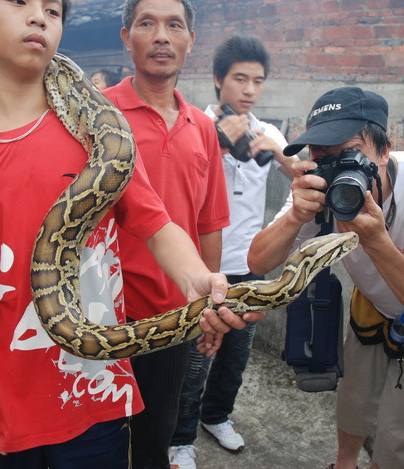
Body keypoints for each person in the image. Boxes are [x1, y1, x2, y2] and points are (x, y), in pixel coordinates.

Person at [0, 0, 249, 466]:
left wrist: (196, 276)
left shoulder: (103, 141)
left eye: (52, 10)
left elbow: (156, 223)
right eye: (19, 3)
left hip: (95, 392)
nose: (38, 18)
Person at [247, 87, 404, 469]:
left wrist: (375, 240)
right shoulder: (319, 185)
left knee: (401, 439)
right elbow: (257, 262)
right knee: (353, 401)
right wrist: (294, 217)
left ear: (385, 150)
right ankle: (345, 463)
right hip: (373, 306)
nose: (337, 169)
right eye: (322, 157)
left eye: (349, 155)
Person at [102, 1, 263, 468]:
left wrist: (211, 305)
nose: (161, 37)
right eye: (146, 24)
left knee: (157, 433)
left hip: (172, 316)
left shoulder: (202, 129)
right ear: (125, 36)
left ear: (191, 41)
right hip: (102, 311)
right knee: (98, 436)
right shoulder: (99, 113)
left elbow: (208, 225)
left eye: (175, 26)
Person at [168, 34, 296, 468]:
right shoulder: (196, 127)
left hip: (250, 264)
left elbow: (303, 180)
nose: (249, 90)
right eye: (240, 79)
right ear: (218, 80)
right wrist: (219, 141)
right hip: (204, 266)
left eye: (257, 81)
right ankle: (179, 438)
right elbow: (179, 184)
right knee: (196, 358)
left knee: (236, 352)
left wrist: (279, 153)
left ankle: (216, 416)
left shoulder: (269, 130)